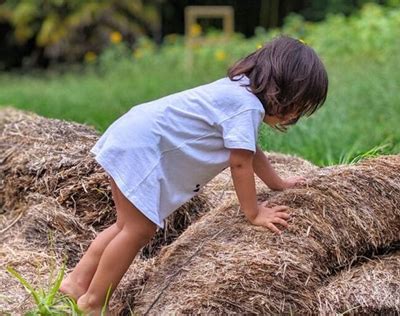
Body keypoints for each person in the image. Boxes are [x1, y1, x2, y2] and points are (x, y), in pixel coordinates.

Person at [60, 35, 328, 314]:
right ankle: (92, 303)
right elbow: (240, 164)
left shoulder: (238, 92)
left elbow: (250, 151)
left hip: (132, 136)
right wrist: (254, 212)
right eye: (298, 106)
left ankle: (77, 282)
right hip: (142, 148)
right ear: (283, 91)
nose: (294, 116)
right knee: (139, 230)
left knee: (124, 226)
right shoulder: (246, 106)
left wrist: (277, 183)